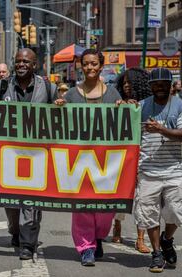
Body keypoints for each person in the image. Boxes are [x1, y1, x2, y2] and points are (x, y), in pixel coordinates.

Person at [0, 48, 58, 260]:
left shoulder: (49, 87)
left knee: (32, 204)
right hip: (8, 156)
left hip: (36, 156)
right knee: (11, 204)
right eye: (18, 61)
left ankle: (28, 244)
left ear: (34, 64)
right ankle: (15, 231)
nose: (21, 64)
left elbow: (60, 119)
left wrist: (59, 108)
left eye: (26, 61)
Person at [60, 49, 118, 266]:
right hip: (80, 161)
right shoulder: (72, 95)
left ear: (101, 66)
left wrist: (124, 109)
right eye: (86, 64)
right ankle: (86, 248)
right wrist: (59, 110)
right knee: (83, 208)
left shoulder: (113, 95)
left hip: (107, 163)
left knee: (106, 209)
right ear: (80, 66)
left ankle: (98, 236)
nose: (90, 68)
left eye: (94, 64)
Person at [134, 68, 182, 273]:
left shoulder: (181, 105)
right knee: (149, 214)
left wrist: (160, 129)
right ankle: (157, 253)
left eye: (163, 83)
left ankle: (167, 239)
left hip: (173, 170)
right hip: (147, 169)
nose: (159, 87)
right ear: (150, 86)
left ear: (171, 85)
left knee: (178, 212)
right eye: (155, 84)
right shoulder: (141, 106)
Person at [113, 67, 152, 254]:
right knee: (121, 193)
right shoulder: (118, 102)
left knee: (142, 199)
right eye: (124, 83)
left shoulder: (149, 105)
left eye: (130, 82)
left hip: (144, 158)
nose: (127, 86)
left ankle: (140, 238)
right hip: (123, 157)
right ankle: (117, 225)